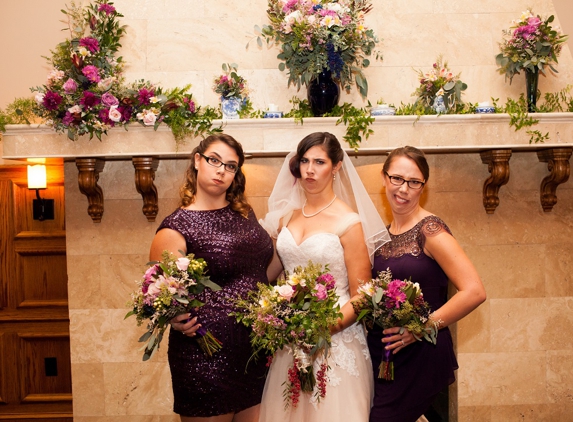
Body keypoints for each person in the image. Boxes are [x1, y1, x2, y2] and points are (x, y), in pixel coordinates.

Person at [259, 132, 390, 422]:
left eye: (319, 162)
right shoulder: (286, 217)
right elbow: (271, 274)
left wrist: (322, 331)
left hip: (336, 338)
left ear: (337, 167)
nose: (309, 169)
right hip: (292, 336)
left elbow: (364, 295)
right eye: (304, 161)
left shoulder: (348, 222)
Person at [149, 134, 274, 422]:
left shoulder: (245, 214)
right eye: (214, 160)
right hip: (205, 356)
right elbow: (160, 293)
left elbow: (258, 272)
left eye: (230, 166)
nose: (221, 170)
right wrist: (173, 316)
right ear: (197, 160)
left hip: (253, 353)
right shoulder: (176, 227)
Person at [368, 146, 486, 422]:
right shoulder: (383, 235)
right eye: (397, 178)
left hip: (421, 353)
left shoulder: (430, 231)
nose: (403, 189)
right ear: (384, 178)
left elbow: (474, 291)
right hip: (388, 357)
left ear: (424, 186)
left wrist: (420, 328)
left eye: (413, 182)